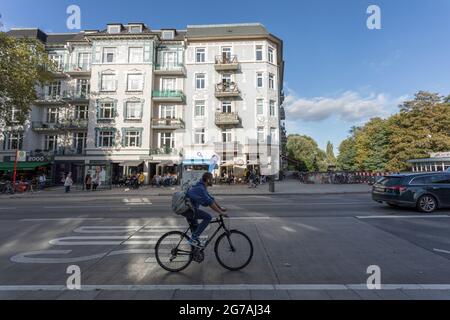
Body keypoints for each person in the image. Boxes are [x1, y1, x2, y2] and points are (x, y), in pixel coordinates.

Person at [183, 172, 228, 248]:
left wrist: (220, 208)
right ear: (207, 180)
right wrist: (221, 213)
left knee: (196, 231)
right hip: (189, 211)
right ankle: (192, 239)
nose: (213, 180)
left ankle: (194, 252)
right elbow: (210, 203)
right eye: (211, 179)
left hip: (191, 210)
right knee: (208, 217)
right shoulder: (200, 188)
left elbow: (211, 199)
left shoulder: (202, 186)